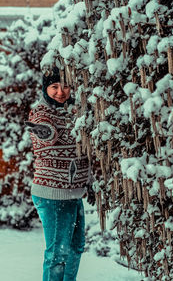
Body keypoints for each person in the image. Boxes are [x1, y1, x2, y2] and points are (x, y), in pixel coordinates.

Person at [25, 66, 95, 281]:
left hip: (73, 193)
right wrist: (44, 132)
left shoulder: (75, 111)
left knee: (75, 248)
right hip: (52, 194)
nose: (60, 92)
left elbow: (82, 152)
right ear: (46, 88)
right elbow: (47, 133)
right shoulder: (41, 112)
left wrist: (89, 182)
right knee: (57, 253)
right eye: (54, 86)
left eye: (65, 86)